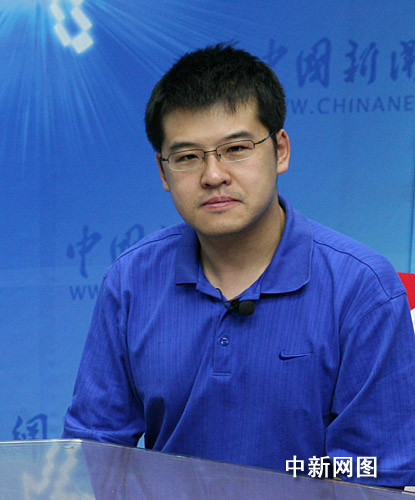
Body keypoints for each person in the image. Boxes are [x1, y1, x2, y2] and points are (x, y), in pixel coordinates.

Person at [63, 44, 415, 487]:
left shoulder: (361, 288)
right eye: (187, 157)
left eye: (235, 148)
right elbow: (95, 451)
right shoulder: (131, 281)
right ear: (163, 172)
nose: (213, 175)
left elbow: (372, 472)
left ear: (280, 150)